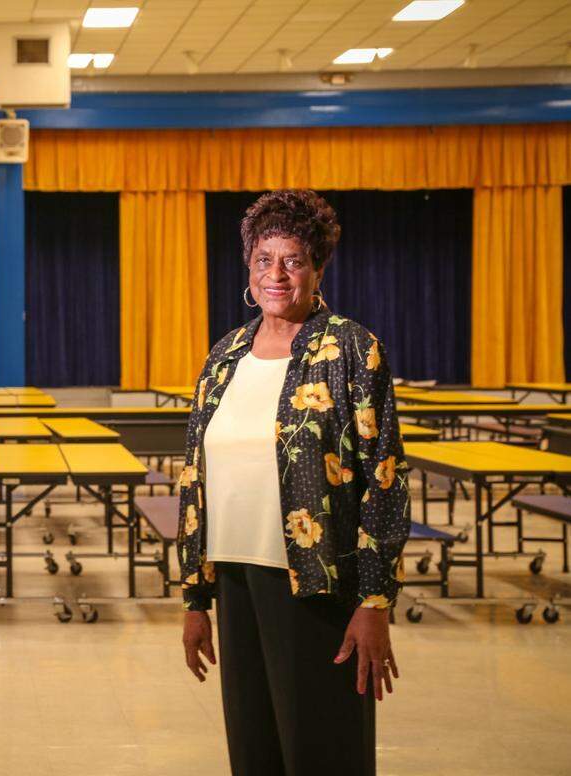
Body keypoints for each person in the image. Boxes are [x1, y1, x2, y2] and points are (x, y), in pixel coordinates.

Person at [177, 189, 410, 776]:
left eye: (293, 259)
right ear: (248, 268)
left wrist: (375, 601)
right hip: (234, 578)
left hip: (319, 586)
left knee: (322, 752)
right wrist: (195, 598)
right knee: (254, 752)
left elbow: (385, 480)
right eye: (263, 258)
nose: (276, 274)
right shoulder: (224, 356)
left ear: (317, 267)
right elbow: (194, 478)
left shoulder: (353, 350)